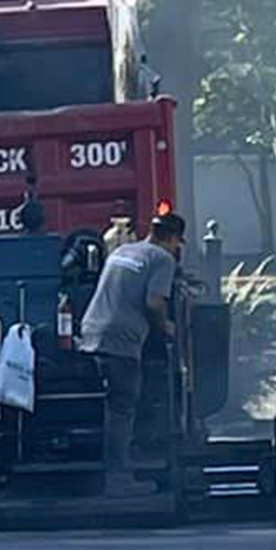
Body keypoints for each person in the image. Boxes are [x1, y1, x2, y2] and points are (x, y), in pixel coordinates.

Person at [79, 210, 185, 496]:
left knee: (110, 404)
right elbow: (153, 303)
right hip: (121, 340)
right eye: (178, 244)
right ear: (173, 239)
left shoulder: (123, 250)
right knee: (123, 407)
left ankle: (110, 470)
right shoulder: (162, 259)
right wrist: (167, 328)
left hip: (91, 331)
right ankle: (118, 479)